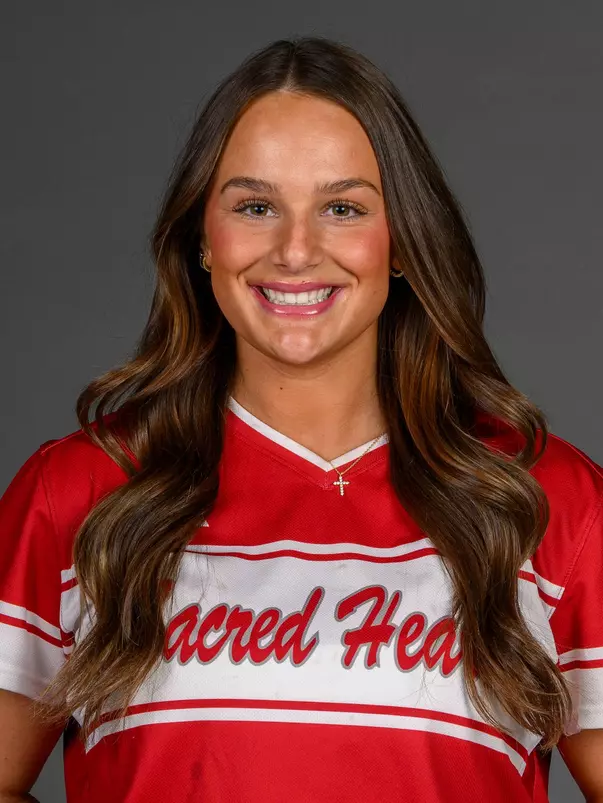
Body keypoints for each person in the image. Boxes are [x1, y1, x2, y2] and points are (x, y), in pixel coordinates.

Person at [0, 36, 601, 803]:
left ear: (401, 245)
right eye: (255, 206)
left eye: (341, 208)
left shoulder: (546, 502)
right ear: (201, 242)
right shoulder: (81, 492)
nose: (294, 250)